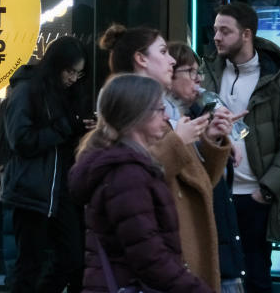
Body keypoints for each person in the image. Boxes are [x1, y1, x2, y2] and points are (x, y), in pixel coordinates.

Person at [100, 24, 232, 291]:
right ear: (141, 59)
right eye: (163, 51)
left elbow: (200, 183)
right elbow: (131, 183)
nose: (172, 59)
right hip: (163, 269)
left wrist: (212, 140)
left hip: (180, 256)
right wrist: (178, 142)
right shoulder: (126, 110)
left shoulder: (168, 113)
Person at [201, 2, 280, 293]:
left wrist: (265, 192)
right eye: (215, 29)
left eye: (224, 31)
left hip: (253, 198)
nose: (216, 37)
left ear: (246, 34)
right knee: (212, 277)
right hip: (215, 192)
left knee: (255, 278)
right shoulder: (207, 74)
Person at [68, 73, 213, 293]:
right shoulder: (127, 174)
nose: (166, 117)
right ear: (137, 115)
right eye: (159, 110)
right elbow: (150, 258)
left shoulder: (126, 166)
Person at [0, 35, 87, 293]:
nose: (72, 78)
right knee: (29, 265)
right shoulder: (26, 90)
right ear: (57, 65)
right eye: (70, 71)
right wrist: (65, 128)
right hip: (31, 190)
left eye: (78, 74)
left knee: (71, 258)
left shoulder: (65, 94)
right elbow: (21, 140)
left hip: (59, 190)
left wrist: (78, 129)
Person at [167, 41, 247, 293]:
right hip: (191, 253)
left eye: (197, 71)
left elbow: (211, 180)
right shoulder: (161, 123)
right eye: (190, 72)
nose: (198, 79)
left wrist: (217, 138)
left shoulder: (200, 110)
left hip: (218, 242)